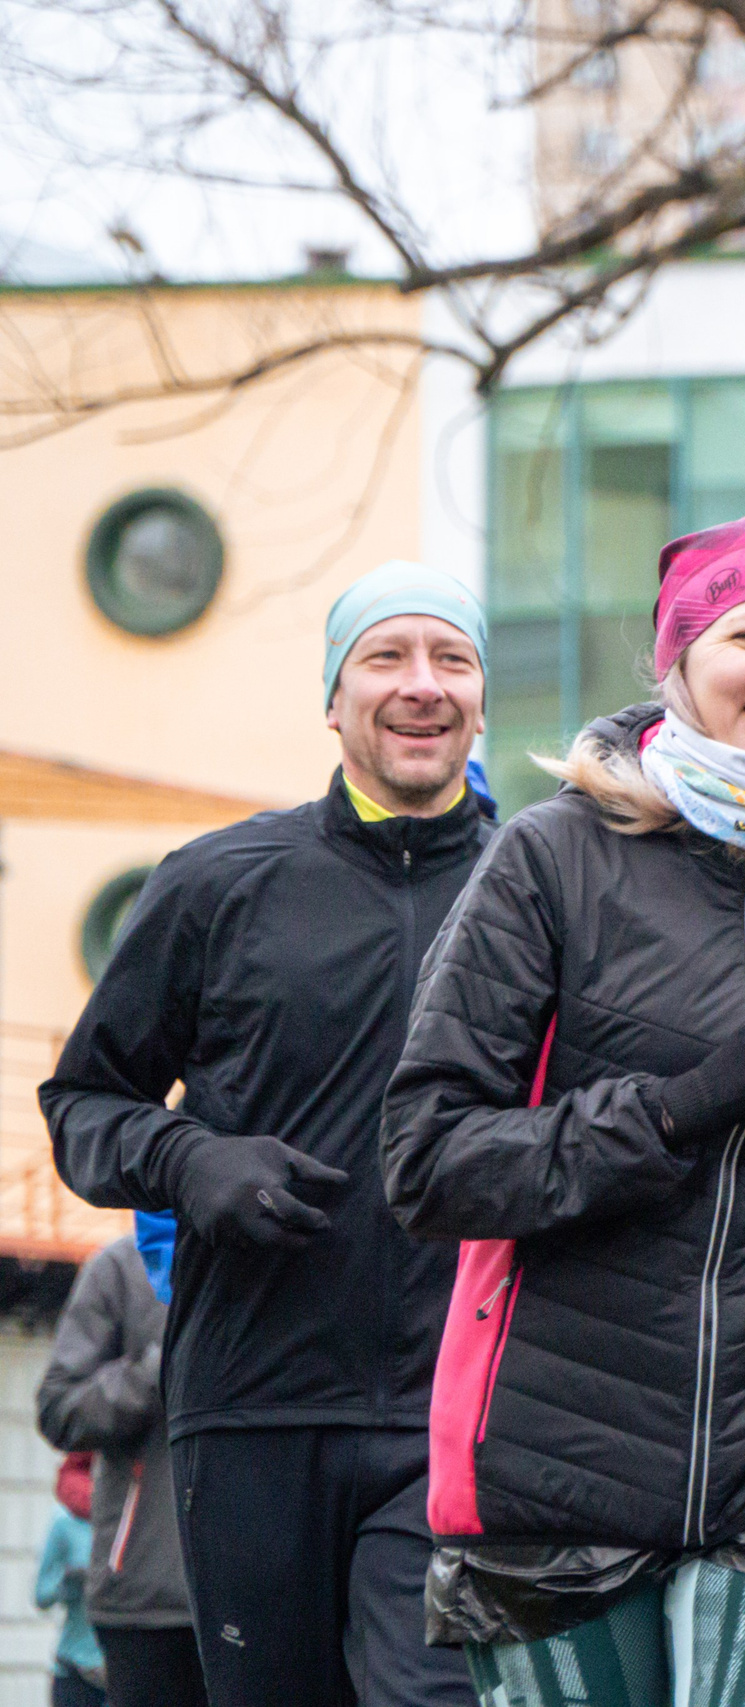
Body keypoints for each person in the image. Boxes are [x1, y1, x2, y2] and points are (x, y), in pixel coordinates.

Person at [381, 514, 745, 1707]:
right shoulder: (553, 859)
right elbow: (429, 1159)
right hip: (554, 1450)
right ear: (682, 662)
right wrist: (661, 1118)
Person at [44, 560, 492, 1707]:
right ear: (332, 698)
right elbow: (86, 1105)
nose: (421, 686)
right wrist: (193, 1160)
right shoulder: (219, 882)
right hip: (254, 1403)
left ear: (481, 696)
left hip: (468, 1407)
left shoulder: (542, 883)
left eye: (452, 658)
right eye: (386, 657)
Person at [38, 1212, 204, 1707]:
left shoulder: (277, 1259)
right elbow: (58, 1407)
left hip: (267, 1595)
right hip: (147, 1599)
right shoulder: (119, 1268)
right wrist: (157, 1369)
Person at [39, 1455, 104, 1707]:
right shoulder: (64, 1522)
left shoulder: (136, 1516)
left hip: (121, 1670)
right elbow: (41, 1595)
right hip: (74, 1669)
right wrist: (68, 1582)